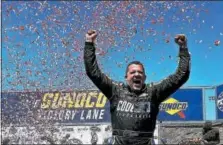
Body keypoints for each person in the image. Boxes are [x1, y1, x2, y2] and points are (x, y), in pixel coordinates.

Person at [84, 30, 191, 145]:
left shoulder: (154, 92)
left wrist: (183, 48)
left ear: (145, 77)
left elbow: (181, 76)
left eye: (140, 72)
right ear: (126, 77)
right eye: (133, 72)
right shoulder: (115, 90)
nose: (136, 74)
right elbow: (93, 72)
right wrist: (89, 43)